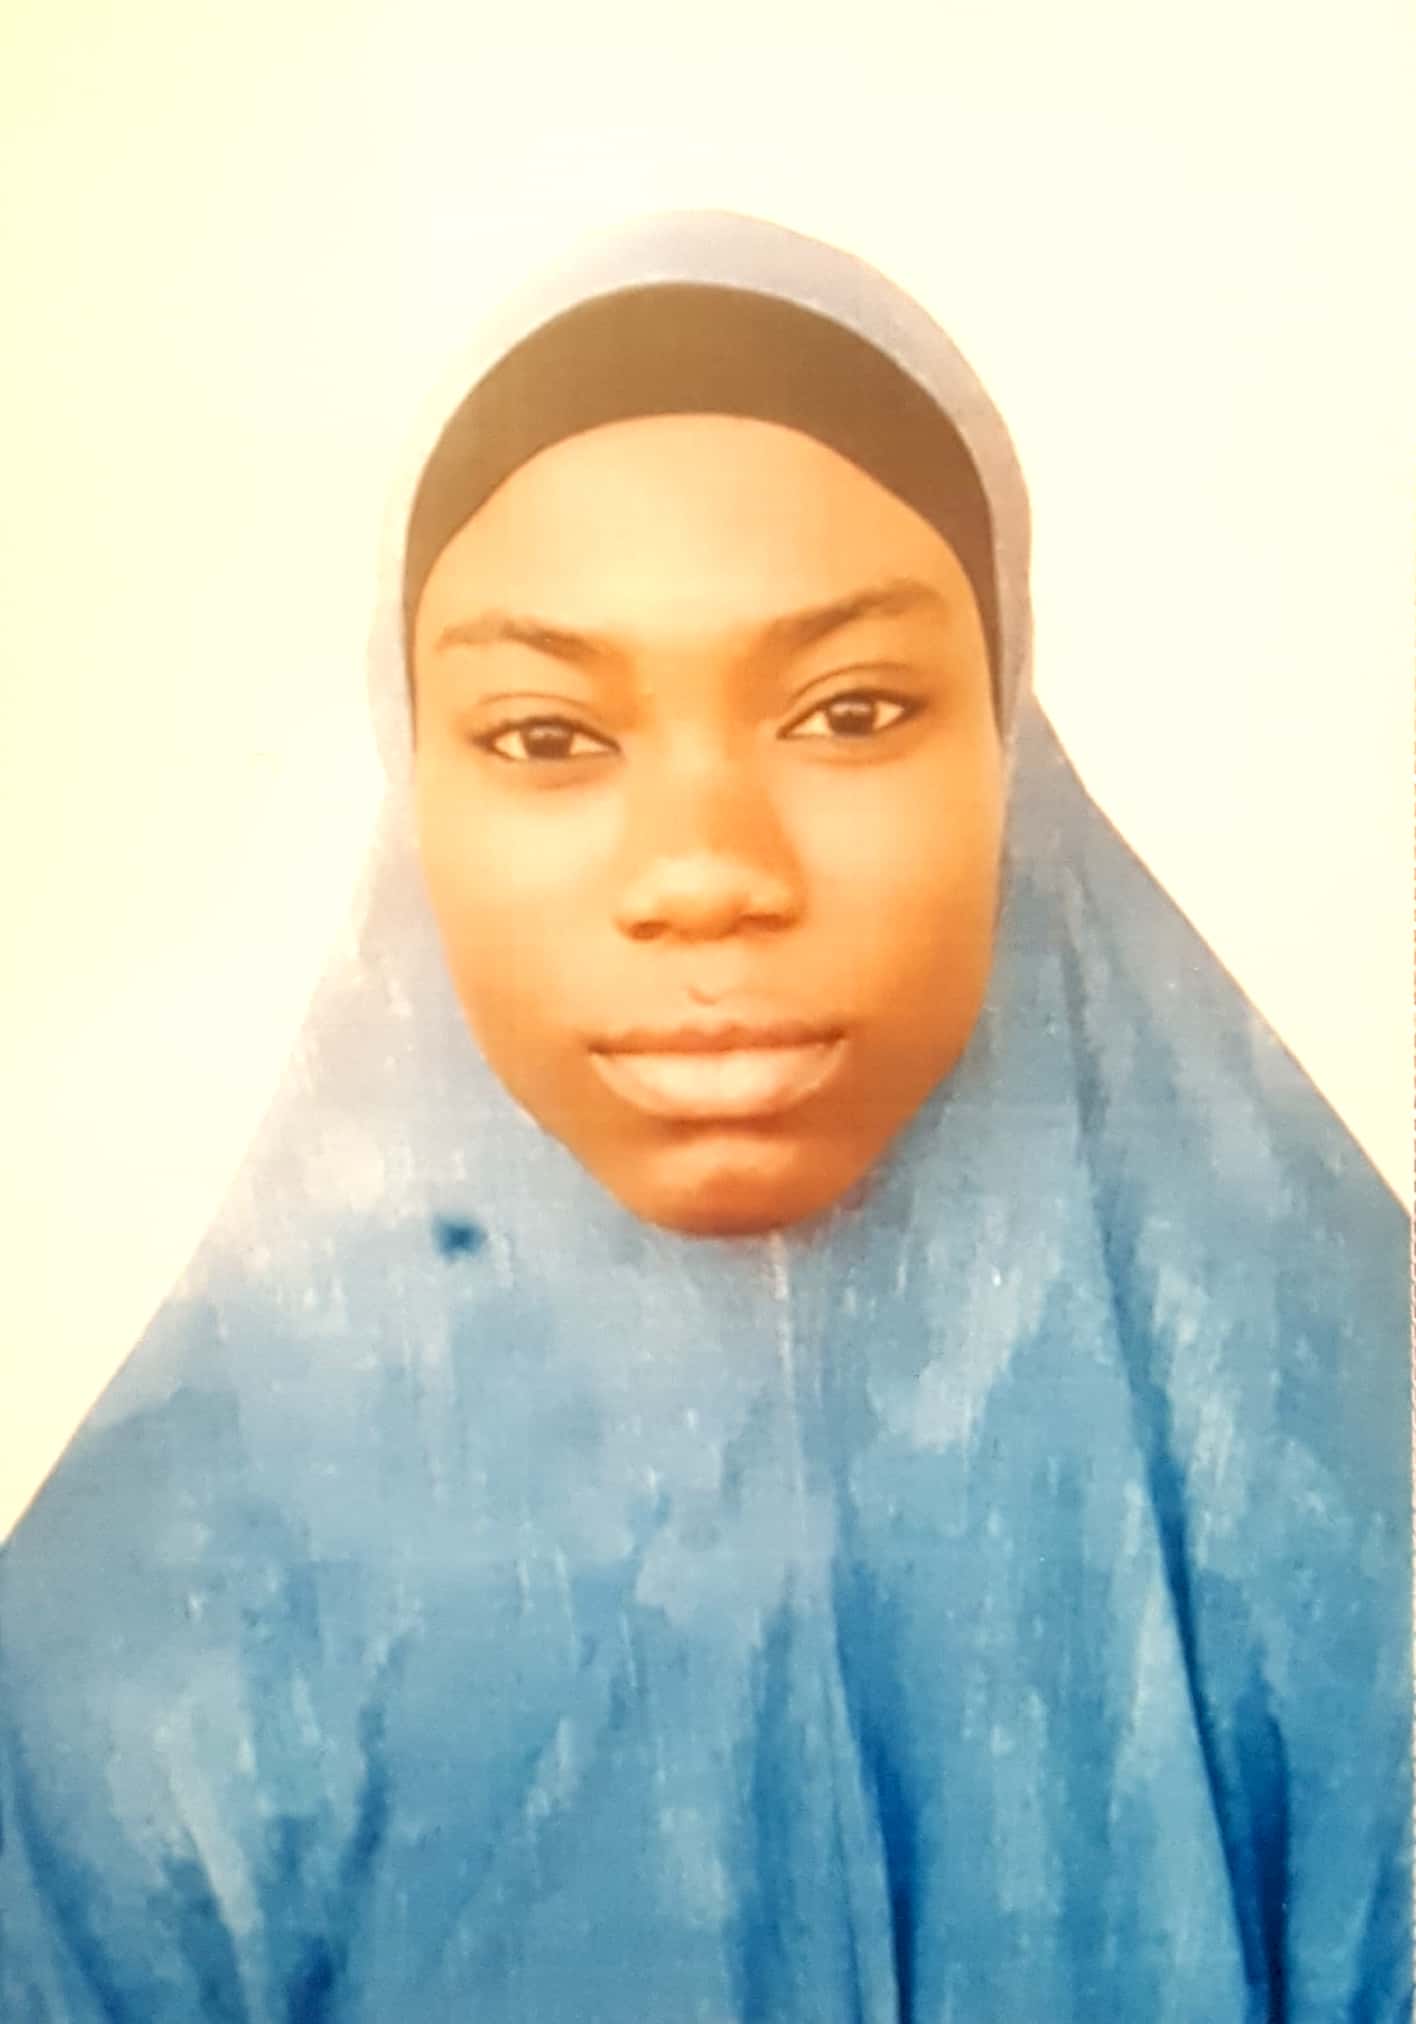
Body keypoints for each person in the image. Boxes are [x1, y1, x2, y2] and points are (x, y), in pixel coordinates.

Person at [1, 212, 1408, 2021]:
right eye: (546, 737)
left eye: (850, 711)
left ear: (1008, 750)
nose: (705, 873)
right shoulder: (136, 1654)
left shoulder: (1356, 1498)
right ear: (412, 781)